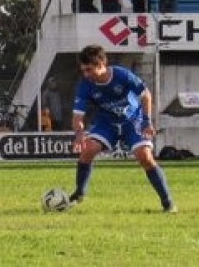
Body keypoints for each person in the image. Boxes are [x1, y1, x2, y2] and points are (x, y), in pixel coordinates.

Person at [68, 45, 175, 213]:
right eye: (83, 70)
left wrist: (147, 122)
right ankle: (80, 192)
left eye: (89, 69)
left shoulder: (122, 75)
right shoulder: (85, 84)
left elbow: (145, 95)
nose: (86, 74)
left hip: (133, 120)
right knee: (88, 149)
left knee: (145, 156)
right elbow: (78, 116)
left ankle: (167, 202)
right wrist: (79, 134)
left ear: (102, 64)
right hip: (107, 123)